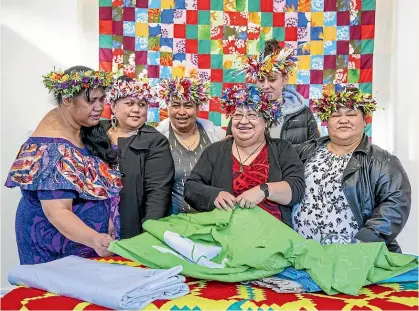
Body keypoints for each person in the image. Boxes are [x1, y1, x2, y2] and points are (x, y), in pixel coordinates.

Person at [5, 66, 122, 264]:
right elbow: (57, 211)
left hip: (85, 244)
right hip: (54, 248)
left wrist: (107, 218)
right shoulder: (52, 148)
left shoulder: (83, 128)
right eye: (90, 100)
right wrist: (95, 238)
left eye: (101, 99)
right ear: (67, 100)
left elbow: (96, 187)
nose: (99, 107)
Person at [293, 88, 411, 252]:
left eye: (351, 114)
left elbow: (394, 206)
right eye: (335, 115)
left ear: (365, 120)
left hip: (355, 259)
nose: (343, 120)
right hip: (303, 255)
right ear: (327, 121)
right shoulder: (305, 151)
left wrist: (360, 245)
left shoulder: (383, 161)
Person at [184, 85, 305, 226]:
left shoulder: (283, 149)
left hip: (273, 235)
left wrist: (264, 190)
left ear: (266, 121)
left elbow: (296, 189)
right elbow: (191, 187)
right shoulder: (215, 151)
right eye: (238, 115)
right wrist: (214, 195)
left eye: (252, 115)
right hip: (226, 234)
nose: (243, 121)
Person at [102, 76, 174, 239]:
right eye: (129, 103)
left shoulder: (155, 141)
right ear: (113, 106)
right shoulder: (95, 133)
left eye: (142, 105)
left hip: (132, 226)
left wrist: (148, 234)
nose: (136, 109)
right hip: (92, 224)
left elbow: (158, 193)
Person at [227, 39, 320, 145]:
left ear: (285, 79)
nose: (266, 86)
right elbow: (231, 151)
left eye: (272, 79)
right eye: (261, 79)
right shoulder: (242, 111)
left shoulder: (303, 113)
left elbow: (313, 152)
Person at [156, 78, 225, 215]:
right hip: (171, 222)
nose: (182, 112)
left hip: (212, 219)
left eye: (188, 106)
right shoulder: (157, 138)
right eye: (176, 105)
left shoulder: (217, 136)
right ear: (167, 107)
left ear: (198, 108)